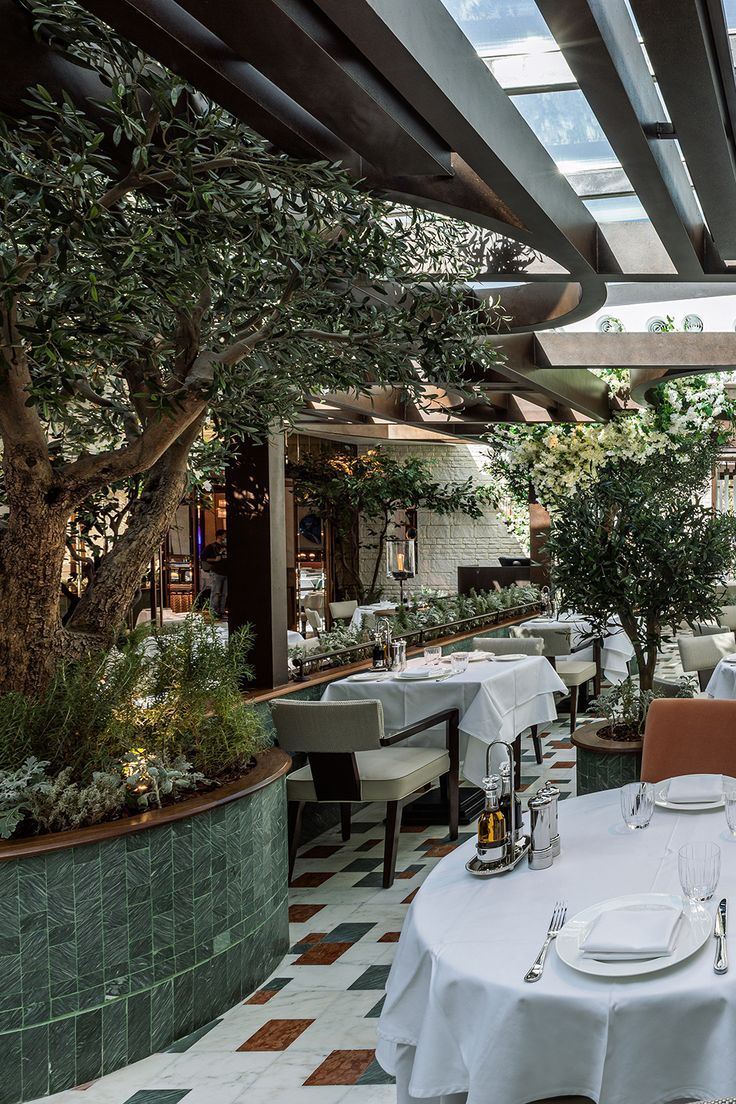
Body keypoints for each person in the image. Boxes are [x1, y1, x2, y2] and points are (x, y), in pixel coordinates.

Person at [202, 529, 228, 619]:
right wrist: (215, 560)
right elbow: (203, 558)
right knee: (216, 592)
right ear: (219, 536)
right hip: (216, 572)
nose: (225, 537)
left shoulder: (226, 547)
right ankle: (213, 612)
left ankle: (221, 611)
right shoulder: (211, 547)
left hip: (226, 572)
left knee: (224, 593)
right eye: (224, 535)